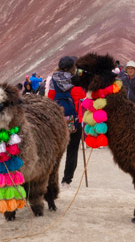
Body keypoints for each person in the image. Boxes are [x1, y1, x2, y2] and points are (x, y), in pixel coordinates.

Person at [47, 56, 83, 187]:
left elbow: (50, 98)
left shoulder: (53, 81)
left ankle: (51, 178)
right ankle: (66, 180)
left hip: (57, 121)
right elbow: (82, 96)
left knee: (55, 150)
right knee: (72, 150)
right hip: (75, 120)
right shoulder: (76, 82)